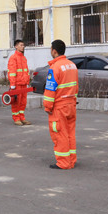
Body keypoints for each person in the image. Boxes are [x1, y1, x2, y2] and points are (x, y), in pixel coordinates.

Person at [43, 39, 79, 170]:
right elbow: (75, 86)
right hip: (71, 104)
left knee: (59, 134)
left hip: (59, 107)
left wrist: (47, 106)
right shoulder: (72, 65)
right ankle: (71, 160)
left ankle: (63, 162)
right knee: (70, 133)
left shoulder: (55, 68)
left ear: (54, 51)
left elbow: (50, 89)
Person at [8, 39, 32, 126]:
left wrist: (27, 81)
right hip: (17, 84)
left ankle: (22, 118)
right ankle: (16, 118)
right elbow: (12, 72)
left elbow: (26, 71)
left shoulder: (23, 58)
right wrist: (12, 84)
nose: (23, 47)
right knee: (16, 102)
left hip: (24, 84)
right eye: (21, 45)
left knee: (23, 102)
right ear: (16, 46)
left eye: (23, 45)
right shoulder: (13, 58)